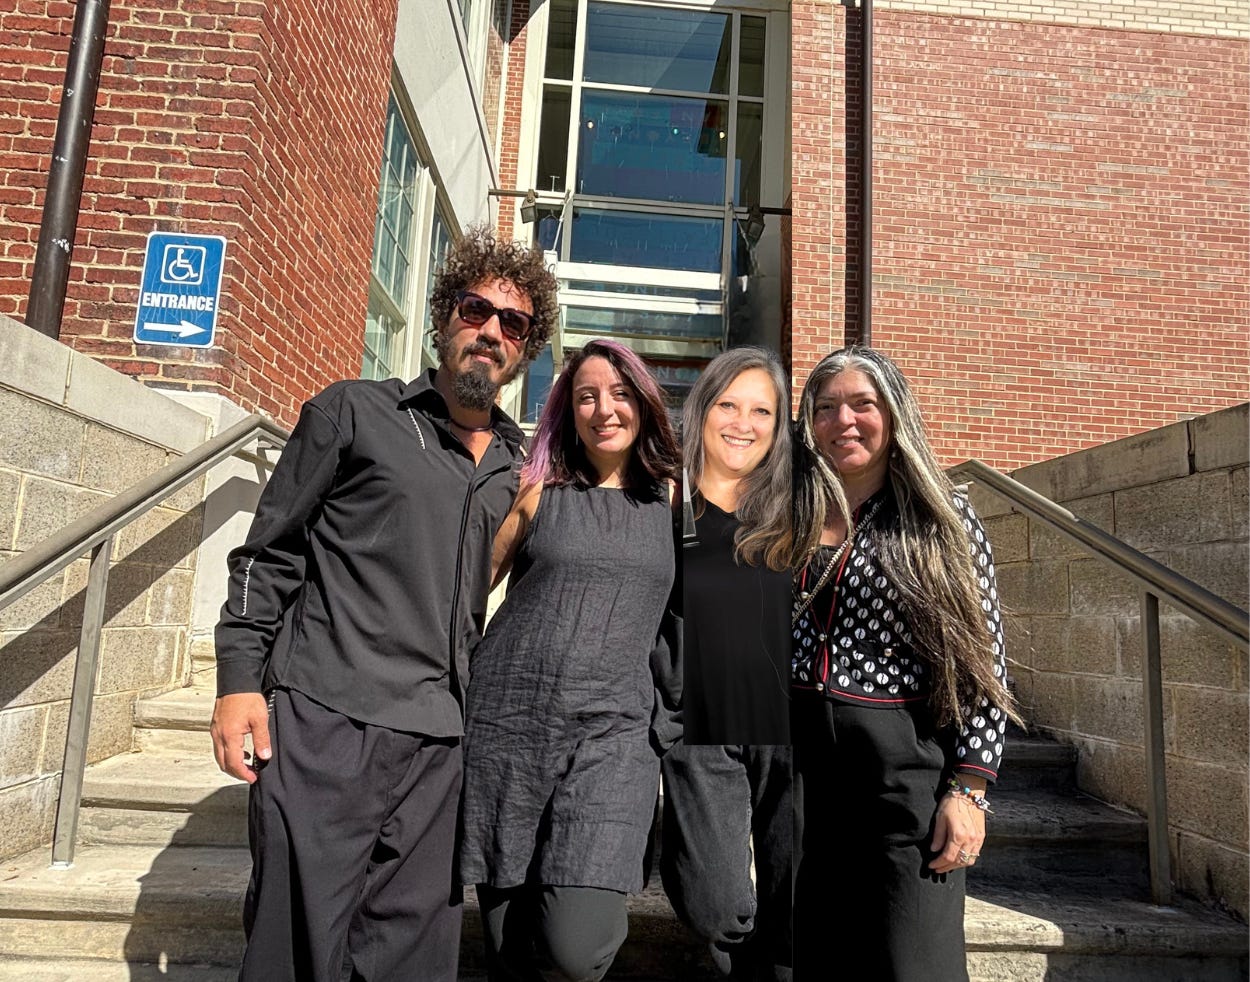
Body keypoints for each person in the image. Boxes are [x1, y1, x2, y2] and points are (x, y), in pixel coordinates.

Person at [209, 226, 559, 982]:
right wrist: (238, 680)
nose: (491, 331)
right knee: (293, 953)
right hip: (325, 720)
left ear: (526, 349)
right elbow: (267, 553)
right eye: (475, 309)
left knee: (410, 961)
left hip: (439, 746)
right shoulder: (354, 412)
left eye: (513, 323)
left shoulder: (519, 467)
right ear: (443, 316)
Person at [790, 346, 1019, 982]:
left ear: (893, 414)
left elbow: (982, 660)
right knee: (820, 957)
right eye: (826, 407)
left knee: (916, 962)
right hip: (805, 771)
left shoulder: (940, 518)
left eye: (862, 404)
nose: (844, 421)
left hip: (902, 770)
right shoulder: (793, 510)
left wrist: (970, 788)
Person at [458, 338, 680, 982]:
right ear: (567, 410)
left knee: (577, 947)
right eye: (586, 396)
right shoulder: (536, 491)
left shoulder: (674, 501)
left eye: (619, 394)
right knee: (510, 948)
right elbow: (466, 593)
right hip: (509, 726)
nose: (603, 410)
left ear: (643, 403)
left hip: (615, 737)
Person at [660, 346, 795, 981]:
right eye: (728, 405)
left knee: (792, 903)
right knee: (716, 903)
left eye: (761, 411)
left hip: (788, 726)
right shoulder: (664, 499)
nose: (743, 423)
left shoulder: (797, 505)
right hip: (704, 724)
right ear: (702, 410)